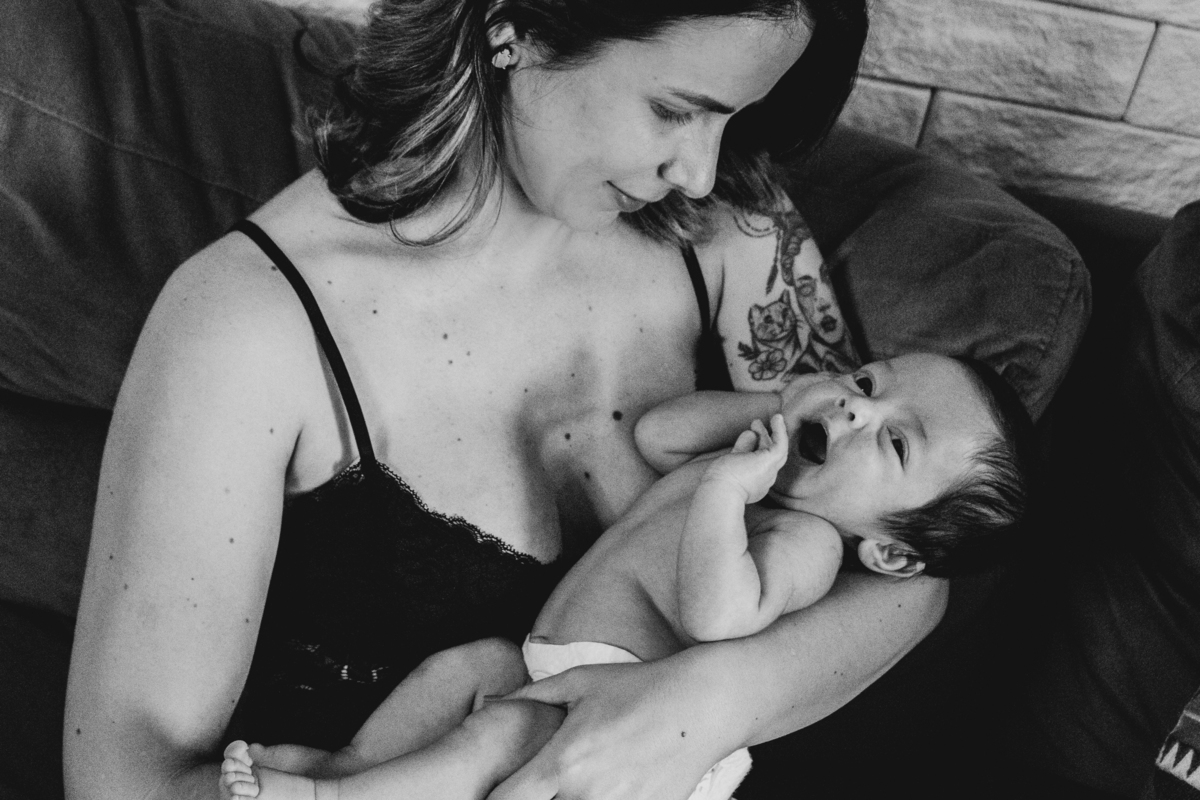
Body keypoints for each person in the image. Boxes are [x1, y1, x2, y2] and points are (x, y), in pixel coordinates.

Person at [61, 2, 990, 799]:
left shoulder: (733, 232)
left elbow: (906, 573)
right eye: (675, 110)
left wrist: (698, 709)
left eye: (733, 119)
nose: (701, 171)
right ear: (517, 30)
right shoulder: (246, 326)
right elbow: (123, 781)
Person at [216, 352, 1031, 800]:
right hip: (553, 668)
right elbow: (658, 435)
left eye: (895, 443)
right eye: (867, 382)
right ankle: (349, 763)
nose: (857, 410)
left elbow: (718, 617)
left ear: (891, 554)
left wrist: (726, 494)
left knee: (495, 736)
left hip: (618, 712)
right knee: (462, 671)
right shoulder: (754, 463)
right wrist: (778, 406)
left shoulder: (804, 540)